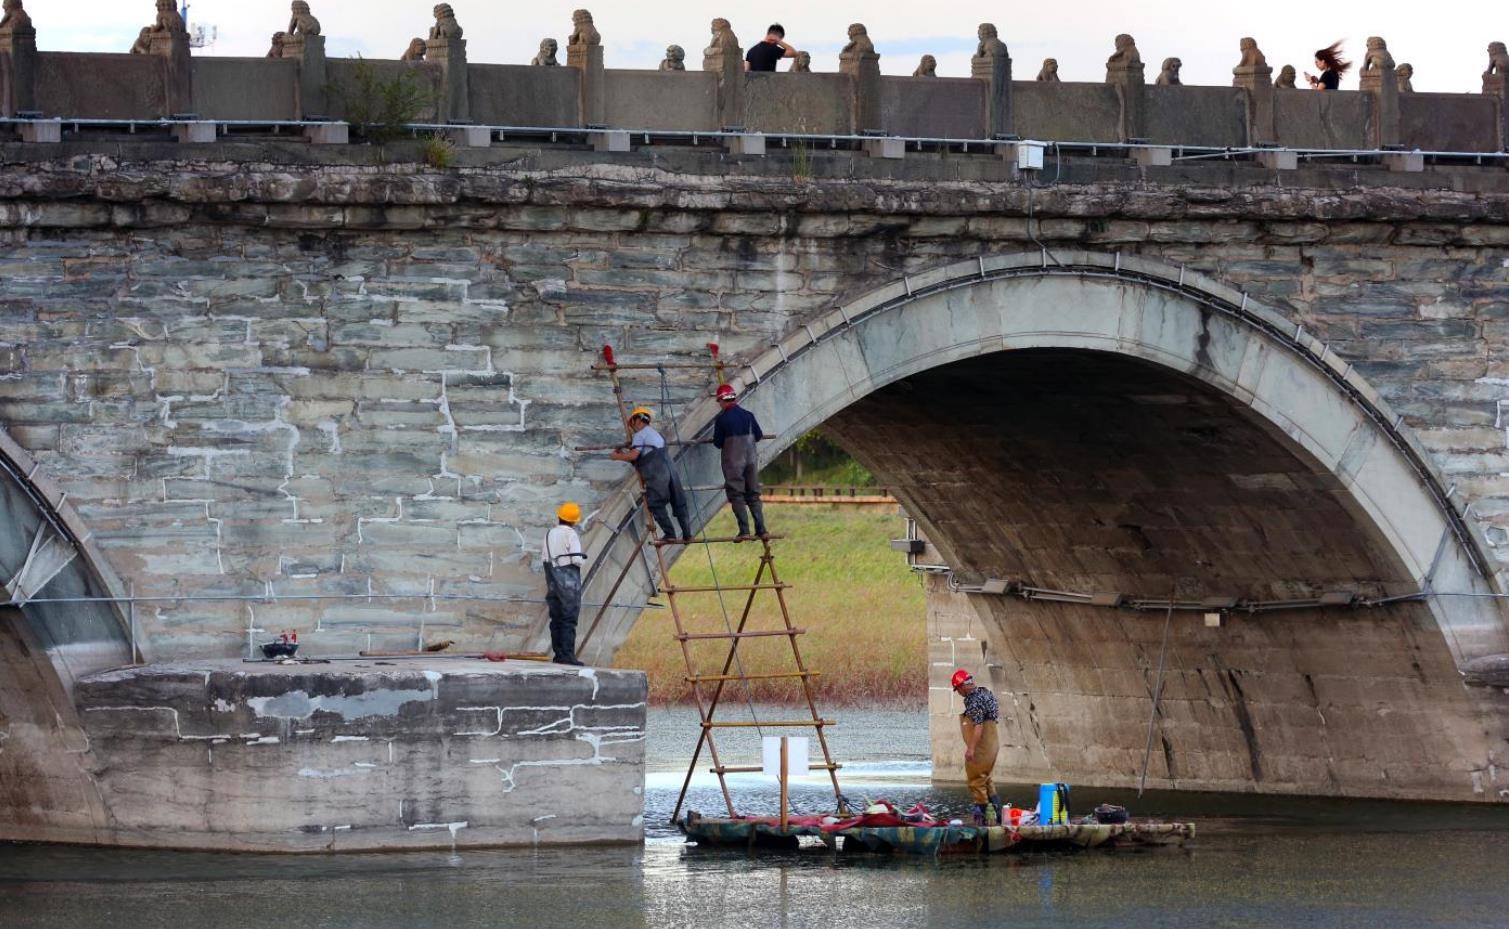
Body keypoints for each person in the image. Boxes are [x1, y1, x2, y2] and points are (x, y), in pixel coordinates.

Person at [609, 407, 693, 544]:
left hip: (657, 471)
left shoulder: (640, 435)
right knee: (678, 501)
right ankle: (687, 535)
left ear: (638, 420)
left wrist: (617, 457)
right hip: (670, 468)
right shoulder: (655, 434)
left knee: (656, 503)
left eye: (633, 422)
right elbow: (642, 453)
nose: (633, 427)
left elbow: (634, 455)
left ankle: (670, 534)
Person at [712, 385, 768, 542]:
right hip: (751, 461)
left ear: (722, 400)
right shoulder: (748, 415)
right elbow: (758, 435)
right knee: (754, 494)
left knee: (736, 494)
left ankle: (744, 531)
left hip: (733, 462)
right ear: (734, 398)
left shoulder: (722, 419)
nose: (720, 405)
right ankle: (761, 530)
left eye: (719, 402)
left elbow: (717, 443)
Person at [952, 669, 1004, 826]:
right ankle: (998, 816)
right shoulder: (985, 692)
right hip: (993, 744)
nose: (959, 693)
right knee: (986, 779)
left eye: (958, 689)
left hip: (983, 746)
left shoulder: (973, 701)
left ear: (963, 686)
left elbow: (979, 727)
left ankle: (982, 820)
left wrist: (971, 749)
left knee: (976, 781)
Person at [543, 502, 587, 666]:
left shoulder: (549, 533)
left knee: (556, 617)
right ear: (574, 521)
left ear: (559, 516)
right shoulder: (571, 534)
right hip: (568, 581)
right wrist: (582, 560)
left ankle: (559, 654)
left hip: (552, 578)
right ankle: (568, 656)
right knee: (569, 618)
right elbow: (576, 559)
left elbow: (545, 557)